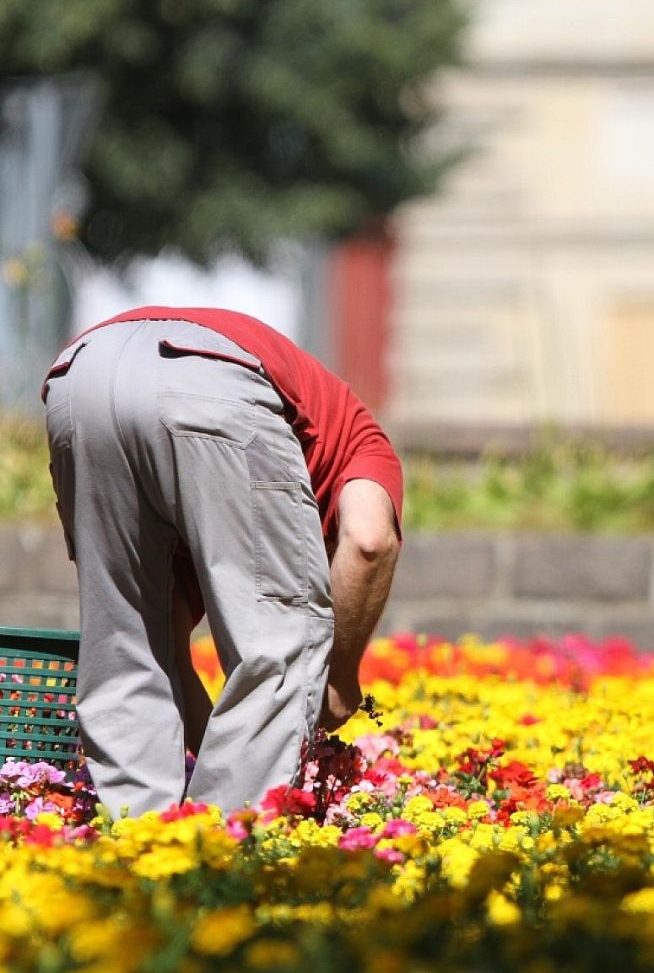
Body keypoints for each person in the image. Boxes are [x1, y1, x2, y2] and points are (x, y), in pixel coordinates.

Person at [41, 306, 403, 817]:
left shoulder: (196, 512)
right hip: (216, 383)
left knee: (126, 640)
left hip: (80, 376)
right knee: (282, 645)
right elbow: (369, 542)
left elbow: (167, 644)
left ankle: (141, 849)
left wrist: (217, 753)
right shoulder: (363, 442)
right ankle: (222, 865)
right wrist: (338, 678)